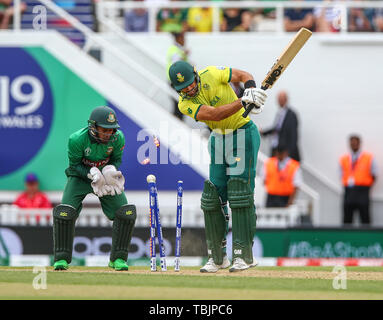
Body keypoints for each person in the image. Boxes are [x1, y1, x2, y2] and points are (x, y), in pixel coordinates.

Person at [168, 61, 267, 273]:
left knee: (240, 193)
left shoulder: (211, 73)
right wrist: (243, 101)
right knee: (213, 198)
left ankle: (244, 255)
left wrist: (251, 91)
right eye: (182, 88)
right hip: (218, 138)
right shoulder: (184, 104)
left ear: (195, 74)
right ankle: (217, 257)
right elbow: (214, 115)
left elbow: (243, 73)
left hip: (242, 132)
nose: (188, 89)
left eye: (189, 83)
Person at [52, 106, 136, 271]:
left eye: (111, 130)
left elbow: (116, 159)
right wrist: (91, 173)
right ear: (93, 127)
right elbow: (74, 166)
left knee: (125, 213)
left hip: (105, 179)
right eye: (104, 129)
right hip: (80, 177)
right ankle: (61, 259)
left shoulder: (118, 138)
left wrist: (109, 170)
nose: (108, 134)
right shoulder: (77, 139)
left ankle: (118, 259)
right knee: (65, 213)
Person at [339, 135, 378, 225]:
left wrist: (366, 184)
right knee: (347, 218)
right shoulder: (344, 159)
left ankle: (367, 238)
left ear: (359, 144)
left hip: (363, 191)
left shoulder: (369, 157)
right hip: (349, 191)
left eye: (355, 142)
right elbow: (341, 174)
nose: (354, 144)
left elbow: (374, 174)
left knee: (365, 217)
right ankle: (346, 238)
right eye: (352, 143)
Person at [261, 90, 301, 162]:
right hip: (276, 147)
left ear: (286, 99)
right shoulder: (280, 113)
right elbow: (276, 128)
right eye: (278, 99)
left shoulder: (292, 115)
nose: (279, 101)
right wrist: (263, 132)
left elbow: (293, 135)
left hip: (284, 152)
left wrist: (289, 152)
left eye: (281, 99)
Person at [167, 31, 189, 120]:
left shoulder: (177, 50)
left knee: (178, 105)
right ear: (178, 39)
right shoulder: (175, 50)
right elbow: (176, 65)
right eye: (183, 39)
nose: (185, 41)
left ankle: (177, 122)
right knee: (179, 105)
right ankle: (177, 123)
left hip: (175, 81)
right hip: (176, 82)